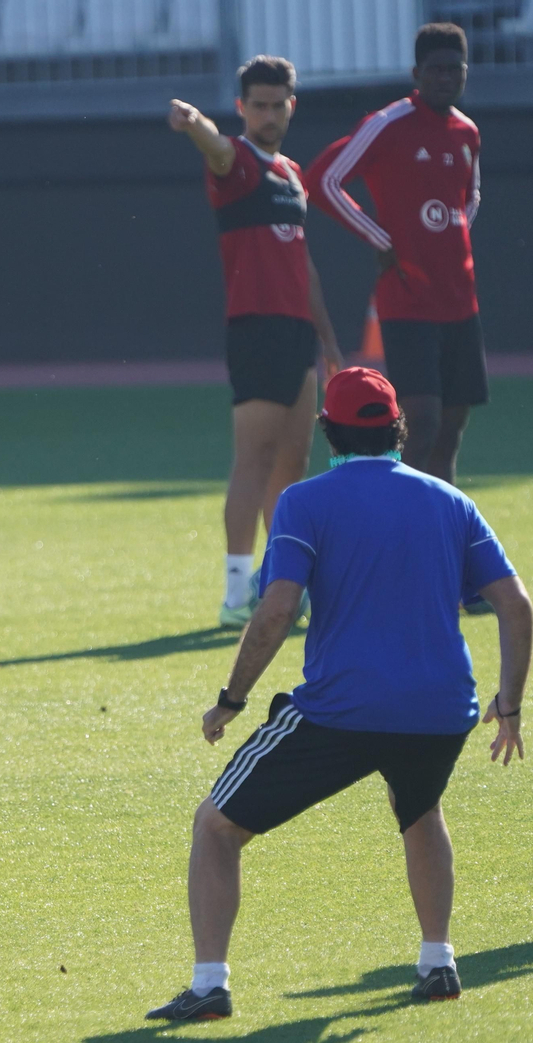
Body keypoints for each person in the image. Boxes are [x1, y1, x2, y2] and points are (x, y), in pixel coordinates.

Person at [145, 367, 532, 1022]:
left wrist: (232, 698)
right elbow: (514, 605)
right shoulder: (449, 500)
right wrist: (510, 703)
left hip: (343, 711)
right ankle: (438, 962)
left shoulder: (304, 501)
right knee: (420, 809)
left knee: (215, 826)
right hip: (443, 710)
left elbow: (276, 611)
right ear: (398, 430)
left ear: (328, 430)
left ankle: (209, 985)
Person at [169, 55, 344, 628]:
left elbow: (306, 266)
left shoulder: (292, 173)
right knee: (254, 460)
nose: (269, 114)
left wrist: (331, 344)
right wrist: (195, 124)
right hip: (256, 328)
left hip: (297, 333)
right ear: (242, 108)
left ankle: (282, 583)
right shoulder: (238, 161)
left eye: (278, 105)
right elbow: (216, 150)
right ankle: (236, 591)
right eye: (258, 105)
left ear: (291, 106)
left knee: (292, 465)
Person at [306, 23, 483, 486]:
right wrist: (380, 239)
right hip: (408, 300)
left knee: (451, 430)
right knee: (418, 423)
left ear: (465, 73)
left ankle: (443, 525)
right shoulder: (389, 124)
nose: (445, 78)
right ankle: (398, 515)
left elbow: (471, 198)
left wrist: (451, 242)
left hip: (460, 300)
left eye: (454, 69)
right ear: (416, 74)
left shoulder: (467, 132)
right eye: (435, 70)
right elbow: (323, 179)